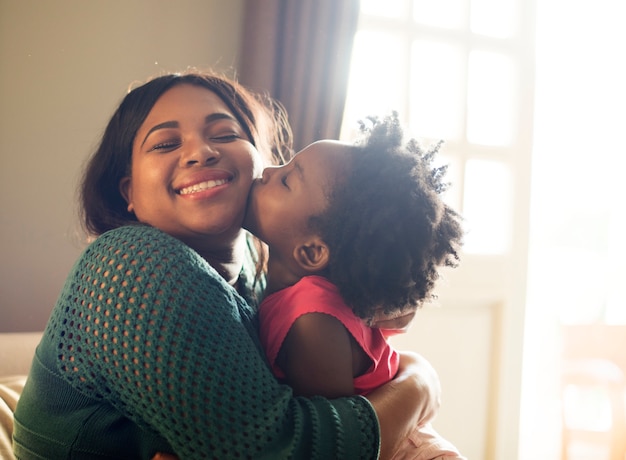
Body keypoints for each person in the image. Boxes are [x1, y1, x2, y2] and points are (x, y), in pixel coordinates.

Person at [13, 71, 441, 459]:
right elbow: (287, 451)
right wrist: (418, 384)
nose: (200, 152)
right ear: (130, 192)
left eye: (224, 133)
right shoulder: (134, 265)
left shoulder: (261, 273)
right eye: (165, 144)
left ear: (257, 158)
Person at [244, 113, 466, 459]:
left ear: (312, 251)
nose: (269, 171)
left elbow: (338, 441)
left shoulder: (311, 321)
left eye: (287, 180)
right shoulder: (304, 296)